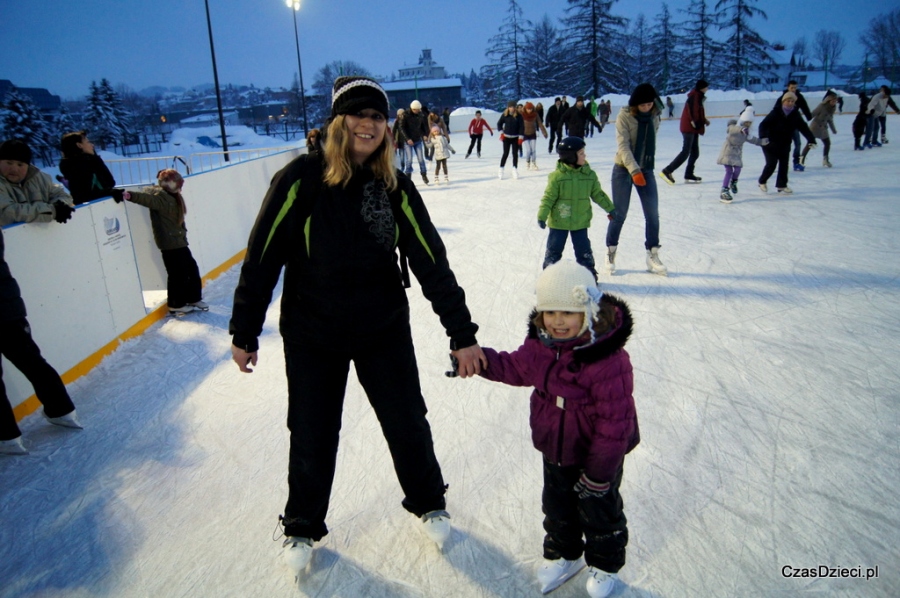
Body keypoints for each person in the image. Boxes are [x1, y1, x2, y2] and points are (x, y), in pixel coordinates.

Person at [228, 76, 487, 576]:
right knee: (311, 430)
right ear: (338, 123)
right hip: (311, 333)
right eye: (358, 115)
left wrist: (462, 332)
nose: (368, 124)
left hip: (382, 327)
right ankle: (302, 525)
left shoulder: (394, 186)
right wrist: (245, 327)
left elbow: (431, 259)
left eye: (377, 117)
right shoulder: (300, 179)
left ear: (387, 129)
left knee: (407, 419)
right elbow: (262, 255)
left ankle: (429, 501)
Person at [467, 259, 639, 598]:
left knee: (600, 512)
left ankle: (605, 566)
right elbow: (514, 368)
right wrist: (479, 361)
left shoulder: (608, 359)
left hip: (596, 456)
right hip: (556, 448)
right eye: (550, 312)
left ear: (587, 310)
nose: (557, 322)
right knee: (557, 506)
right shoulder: (540, 347)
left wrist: (600, 474)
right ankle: (565, 553)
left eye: (567, 313)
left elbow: (615, 425)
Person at [1, 227, 83, 455]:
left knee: (31, 361)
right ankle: (62, 410)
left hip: (7, 305)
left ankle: (6, 435)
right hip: (8, 307)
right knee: (32, 360)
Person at [118, 169, 208, 315]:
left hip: (178, 239)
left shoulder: (174, 196)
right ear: (169, 184)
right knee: (177, 274)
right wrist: (129, 196)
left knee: (191, 269)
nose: (180, 187)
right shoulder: (161, 197)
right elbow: (146, 199)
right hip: (170, 242)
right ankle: (176, 304)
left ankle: (193, 298)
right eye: (177, 184)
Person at [607, 83, 666, 276]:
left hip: (646, 168)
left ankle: (652, 254)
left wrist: (643, 168)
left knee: (652, 214)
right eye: (643, 105)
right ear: (635, 105)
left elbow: (652, 140)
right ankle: (611, 252)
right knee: (619, 214)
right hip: (624, 169)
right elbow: (623, 147)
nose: (647, 108)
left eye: (650, 104)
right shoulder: (624, 116)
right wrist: (634, 170)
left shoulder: (655, 116)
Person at [537, 137, 613, 279]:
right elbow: (548, 198)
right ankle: (548, 277)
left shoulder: (589, 175)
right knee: (553, 251)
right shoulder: (557, 177)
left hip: (580, 221)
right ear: (571, 157)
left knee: (584, 251)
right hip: (559, 222)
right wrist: (542, 216)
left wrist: (611, 209)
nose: (585, 156)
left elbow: (598, 194)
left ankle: (589, 275)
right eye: (581, 153)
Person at [0, 139, 74, 227]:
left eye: (20, 165)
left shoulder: (40, 178)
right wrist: (51, 211)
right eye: (9, 163)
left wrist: (59, 206)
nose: (14, 169)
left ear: (28, 165)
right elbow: (6, 213)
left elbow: (63, 196)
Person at [757, 92, 816, 195]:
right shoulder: (775, 112)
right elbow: (763, 125)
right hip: (770, 143)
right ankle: (762, 181)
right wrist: (763, 137)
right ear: (783, 101)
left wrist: (811, 139)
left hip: (785, 143)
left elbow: (803, 127)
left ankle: (782, 185)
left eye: (792, 101)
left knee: (784, 165)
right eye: (788, 100)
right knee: (772, 164)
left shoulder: (795, 114)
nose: (790, 103)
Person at [659, 79, 709, 185]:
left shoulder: (697, 96)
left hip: (692, 127)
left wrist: (703, 120)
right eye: (706, 87)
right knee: (686, 152)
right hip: (689, 127)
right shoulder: (695, 96)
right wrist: (694, 122)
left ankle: (689, 173)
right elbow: (694, 111)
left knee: (695, 153)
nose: (707, 89)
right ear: (702, 88)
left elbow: (697, 111)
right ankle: (667, 171)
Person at [716, 106, 768, 203]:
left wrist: (762, 142)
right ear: (742, 121)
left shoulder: (747, 133)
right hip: (727, 151)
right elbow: (731, 129)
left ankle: (734, 182)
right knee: (729, 171)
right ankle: (724, 190)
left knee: (738, 169)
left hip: (737, 153)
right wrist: (741, 129)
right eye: (746, 122)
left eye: (749, 123)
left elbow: (754, 140)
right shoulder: (734, 127)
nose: (747, 125)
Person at [58, 131, 116, 205]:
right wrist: (109, 192)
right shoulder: (76, 167)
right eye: (88, 142)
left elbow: (110, 182)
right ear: (79, 145)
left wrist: (95, 158)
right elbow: (84, 196)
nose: (92, 145)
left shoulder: (90, 162)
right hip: (89, 211)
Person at [772, 81, 813, 171]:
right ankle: (776, 163)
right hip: (783, 126)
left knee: (797, 143)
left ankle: (796, 163)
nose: (794, 90)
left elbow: (804, 106)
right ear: (788, 88)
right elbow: (775, 110)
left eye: (795, 88)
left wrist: (808, 116)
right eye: (792, 88)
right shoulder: (783, 98)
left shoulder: (799, 97)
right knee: (782, 145)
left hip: (794, 125)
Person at [802, 91, 838, 168]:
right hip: (815, 127)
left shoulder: (833, 108)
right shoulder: (822, 106)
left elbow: (830, 119)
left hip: (823, 128)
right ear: (828, 100)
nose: (834, 103)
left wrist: (833, 129)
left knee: (827, 143)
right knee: (811, 144)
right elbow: (813, 114)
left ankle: (825, 159)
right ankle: (801, 160)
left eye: (835, 101)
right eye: (832, 101)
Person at [401, 99, 430, 185]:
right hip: (408, 141)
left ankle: (424, 174)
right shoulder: (405, 115)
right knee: (409, 160)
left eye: (419, 109)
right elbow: (401, 128)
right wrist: (407, 139)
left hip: (417, 139)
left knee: (421, 159)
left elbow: (423, 127)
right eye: (417, 109)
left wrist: (424, 134)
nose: (418, 111)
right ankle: (408, 177)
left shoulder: (420, 115)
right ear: (413, 109)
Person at [497, 100, 524, 179]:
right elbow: (499, 124)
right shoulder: (505, 115)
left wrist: (520, 137)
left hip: (515, 138)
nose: (512, 108)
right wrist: (502, 133)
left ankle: (514, 169)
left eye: (513, 107)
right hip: (506, 138)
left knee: (515, 154)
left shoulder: (519, 116)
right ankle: (501, 169)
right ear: (508, 107)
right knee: (505, 153)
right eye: (510, 107)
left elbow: (522, 127)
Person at [522, 102, 548, 171]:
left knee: (533, 150)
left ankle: (534, 163)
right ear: (525, 109)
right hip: (525, 134)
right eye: (528, 109)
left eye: (530, 109)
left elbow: (539, 123)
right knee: (528, 150)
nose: (529, 110)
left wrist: (544, 132)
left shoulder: (535, 114)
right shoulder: (522, 115)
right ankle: (528, 162)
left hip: (533, 134)